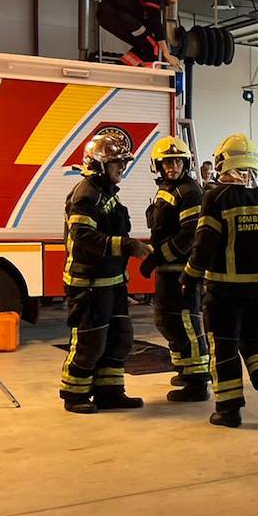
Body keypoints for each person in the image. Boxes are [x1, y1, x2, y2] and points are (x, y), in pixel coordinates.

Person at [185, 133, 258, 429]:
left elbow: (205, 243)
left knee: (224, 347)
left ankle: (229, 410)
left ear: (223, 162)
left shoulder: (216, 196)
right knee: (257, 338)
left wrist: (189, 276)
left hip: (224, 290)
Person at [58, 134, 152, 413]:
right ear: (99, 165)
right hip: (88, 282)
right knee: (91, 340)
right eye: (116, 163)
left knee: (120, 336)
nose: (121, 168)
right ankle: (74, 394)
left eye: (122, 163)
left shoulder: (106, 192)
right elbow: (84, 236)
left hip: (111, 282)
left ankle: (109, 392)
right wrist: (127, 245)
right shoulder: (85, 193)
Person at [138, 135, 209, 402]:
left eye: (178, 161)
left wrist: (157, 257)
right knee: (166, 320)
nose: (173, 167)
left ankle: (198, 381)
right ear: (159, 165)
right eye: (168, 162)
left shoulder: (190, 192)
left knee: (186, 323)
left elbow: (189, 235)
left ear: (186, 163)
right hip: (168, 269)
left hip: (182, 270)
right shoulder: (168, 188)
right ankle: (185, 368)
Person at [96, 0, 182, 68]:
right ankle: (147, 75)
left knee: (145, 44)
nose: (175, 2)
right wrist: (166, 53)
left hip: (107, 14)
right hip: (115, 12)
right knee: (152, 45)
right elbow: (156, 24)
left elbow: (151, 25)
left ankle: (121, 67)